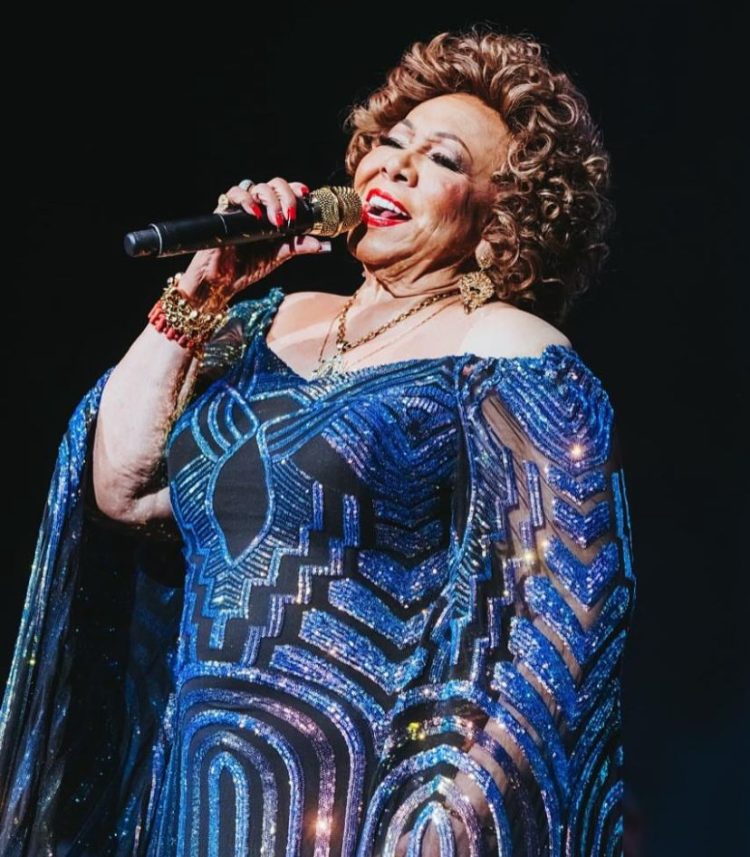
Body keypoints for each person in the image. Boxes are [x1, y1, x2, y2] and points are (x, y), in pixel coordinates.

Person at [0, 24, 637, 857]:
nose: (396, 166)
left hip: (366, 814)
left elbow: (563, 618)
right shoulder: (270, 320)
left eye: (442, 159)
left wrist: (445, 830)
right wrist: (202, 290)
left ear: (501, 219)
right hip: (199, 803)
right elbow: (122, 485)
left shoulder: (508, 353)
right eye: (391, 143)